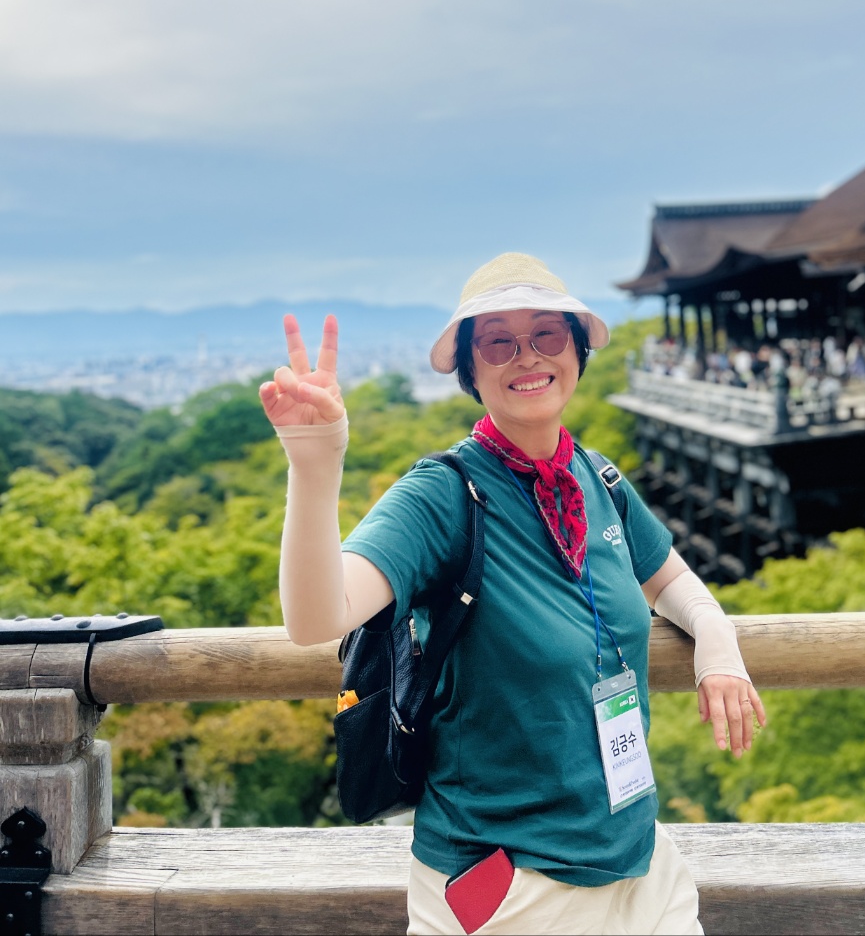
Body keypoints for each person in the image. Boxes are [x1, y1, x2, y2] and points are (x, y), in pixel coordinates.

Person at [265, 253, 765, 936]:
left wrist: (717, 639)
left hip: (640, 865)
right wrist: (314, 464)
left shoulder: (598, 479)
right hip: (508, 884)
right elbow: (316, 618)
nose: (527, 355)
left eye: (547, 334)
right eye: (498, 341)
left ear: (578, 351)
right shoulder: (444, 494)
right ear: (471, 371)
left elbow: (672, 579)